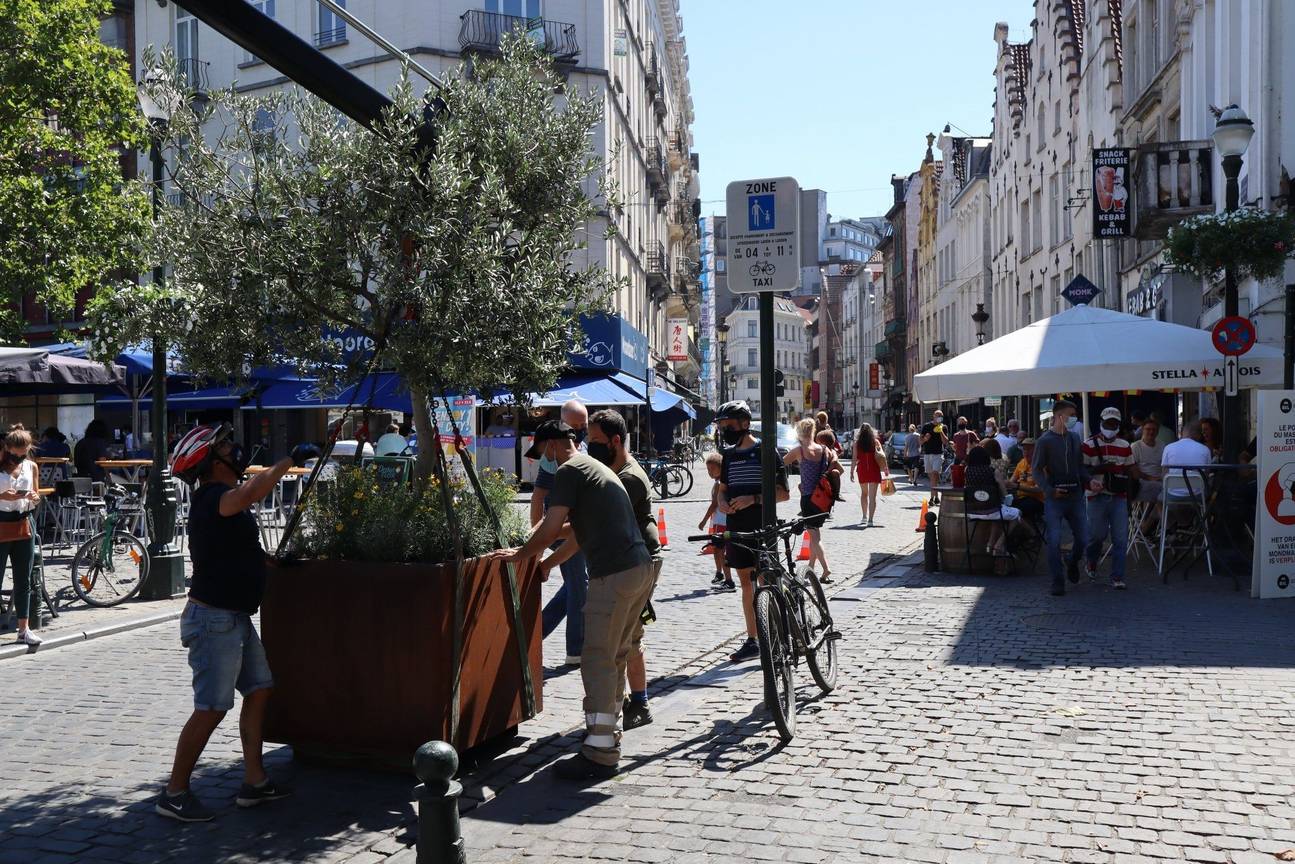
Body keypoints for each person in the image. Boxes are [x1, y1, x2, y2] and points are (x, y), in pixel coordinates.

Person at [156, 423, 315, 822]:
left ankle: (254, 782)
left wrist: (271, 563)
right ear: (211, 461)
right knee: (211, 708)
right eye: (224, 445)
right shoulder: (213, 498)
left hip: (234, 617)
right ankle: (174, 793)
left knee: (260, 689)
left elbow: (236, 550)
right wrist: (289, 461)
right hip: (214, 620)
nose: (233, 448)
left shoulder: (220, 503)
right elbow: (248, 494)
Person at [504, 420, 653, 781]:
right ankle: (607, 738)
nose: (543, 462)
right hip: (639, 568)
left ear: (554, 445)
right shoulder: (594, 467)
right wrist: (546, 562)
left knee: (598, 659)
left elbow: (553, 527)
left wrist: (519, 556)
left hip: (614, 573)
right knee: (615, 657)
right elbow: (580, 532)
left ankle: (600, 752)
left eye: (543, 454)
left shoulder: (570, 471)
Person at [538, 410, 661, 730]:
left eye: (593, 440)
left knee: (615, 644)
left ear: (615, 441)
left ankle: (612, 725)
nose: (586, 445)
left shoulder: (627, 478)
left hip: (633, 562)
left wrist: (544, 544)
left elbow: (582, 528)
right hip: (625, 561)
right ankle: (634, 705)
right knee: (626, 636)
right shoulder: (611, 470)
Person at [715, 401, 789, 662]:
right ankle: (753, 639)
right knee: (746, 584)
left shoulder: (765, 452)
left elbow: (783, 493)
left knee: (766, 581)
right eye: (723, 427)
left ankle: (777, 635)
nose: (726, 431)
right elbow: (722, 489)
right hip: (737, 529)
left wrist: (753, 499)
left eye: (730, 426)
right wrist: (722, 503)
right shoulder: (729, 456)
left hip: (762, 526)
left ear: (745, 424)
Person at [532, 399, 589, 666]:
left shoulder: (582, 450)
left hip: (574, 529)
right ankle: (575, 650)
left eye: (584, 425)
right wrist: (539, 537)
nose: (581, 430)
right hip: (562, 530)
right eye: (576, 426)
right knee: (579, 585)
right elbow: (538, 496)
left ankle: (536, 632)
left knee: (574, 585)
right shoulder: (552, 457)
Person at [1031, 400, 1090, 596]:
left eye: (1075, 415)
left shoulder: (1074, 438)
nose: (1074, 419)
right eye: (1071, 415)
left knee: (1083, 538)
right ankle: (1057, 580)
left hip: (1075, 496)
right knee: (1054, 540)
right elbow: (1036, 469)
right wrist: (1049, 490)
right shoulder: (1045, 441)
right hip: (1055, 498)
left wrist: (1089, 482)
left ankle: (1072, 561)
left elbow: (1080, 467)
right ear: (1059, 416)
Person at [1081, 407, 1134, 589]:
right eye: (1108, 423)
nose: (1110, 426)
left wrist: (1130, 496)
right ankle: (1091, 561)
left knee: (1120, 539)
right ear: (1101, 422)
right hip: (1096, 496)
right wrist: (1099, 469)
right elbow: (1081, 471)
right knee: (1097, 536)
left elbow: (1130, 471)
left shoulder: (1125, 446)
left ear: (1118, 425)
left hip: (1119, 496)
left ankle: (1117, 576)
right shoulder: (1088, 445)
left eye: (1114, 424)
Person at [1, 426, 43, 646]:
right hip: (0, 521)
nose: (18, 457)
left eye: (23, 453)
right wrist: (2, 496)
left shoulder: (31, 466)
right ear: (7, 447)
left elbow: (36, 497)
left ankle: (23, 629)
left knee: (23, 578)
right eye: (15, 453)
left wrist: (34, 498)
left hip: (23, 523)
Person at [784, 419, 840, 581]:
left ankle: (826, 568)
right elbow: (837, 466)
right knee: (815, 532)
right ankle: (811, 567)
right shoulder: (824, 450)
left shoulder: (799, 451)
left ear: (799, 433)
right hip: (824, 499)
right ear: (813, 431)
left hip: (808, 499)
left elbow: (779, 464)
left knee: (815, 536)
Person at [963, 445, 1020, 559]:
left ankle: (990, 544)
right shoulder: (993, 471)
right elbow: (1004, 493)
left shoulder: (967, 471)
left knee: (998, 515)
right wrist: (1008, 499)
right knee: (1016, 514)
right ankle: (999, 543)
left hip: (973, 511)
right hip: (993, 509)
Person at [698, 451, 734, 592]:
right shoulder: (720, 482)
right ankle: (719, 573)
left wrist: (704, 520)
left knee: (721, 550)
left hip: (722, 521)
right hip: (719, 520)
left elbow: (714, 504)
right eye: (708, 469)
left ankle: (729, 580)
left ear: (721, 467)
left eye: (712, 469)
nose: (709, 472)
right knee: (717, 549)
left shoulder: (720, 483)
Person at [1131, 417, 1166, 534]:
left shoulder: (1162, 446)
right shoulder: (1135, 446)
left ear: (1157, 431)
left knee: (1165, 494)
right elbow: (1133, 469)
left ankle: (1146, 527)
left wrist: (1162, 476)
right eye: (1148, 429)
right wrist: (1150, 478)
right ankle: (1164, 529)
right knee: (1160, 495)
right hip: (1142, 481)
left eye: (1154, 430)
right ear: (1142, 430)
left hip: (1160, 480)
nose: (1151, 432)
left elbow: (1165, 466)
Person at [853, 422, 886, 527]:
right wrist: (886, 470)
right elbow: (882, 456)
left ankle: (864, 516)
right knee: (873, 497)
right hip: (874, 470)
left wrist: (851, 471)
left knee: (864, 494)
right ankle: (871, 520)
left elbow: (854, 458)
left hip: (862, 470)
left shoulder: (857, 443)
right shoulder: (875, 442)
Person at [1007, 437, 1044, 524]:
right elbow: (1011, 481)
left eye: (1029, 449)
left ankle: (1005, 537)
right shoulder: (1021, 463)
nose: (1026, 452)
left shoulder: (1041, 464)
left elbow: (1038, 489)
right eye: (1024, 449)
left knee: (1015, 512)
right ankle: (1028, 533)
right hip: (1021, 498)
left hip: (1037, 499)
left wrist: (1017, 486)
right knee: (1003, 509)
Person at [919, 410, 948, 504]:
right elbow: (920, 442)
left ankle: (932, 498)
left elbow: (945, 442)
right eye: (937, 415)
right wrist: (925, 439)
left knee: (935, 474)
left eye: (941, 415)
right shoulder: (927, 426)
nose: (939, 417)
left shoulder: (944, 427)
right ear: (933, 416)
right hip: (927, 454)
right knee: (932, 477)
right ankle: (936, 496)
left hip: (938, 454)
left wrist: (940, 431)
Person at [74, 418, 112, 483]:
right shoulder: (100, 442)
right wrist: (109, 478)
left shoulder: (80, 443)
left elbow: (76, 462)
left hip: (80, 478)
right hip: (97, 479)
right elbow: (103, 463)